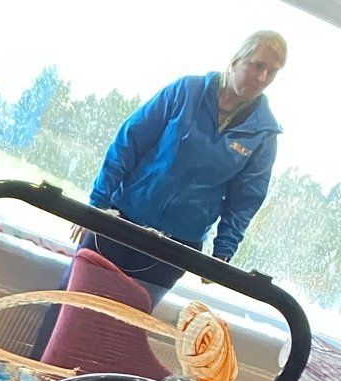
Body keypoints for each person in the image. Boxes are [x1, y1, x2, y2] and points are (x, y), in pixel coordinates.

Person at [85, 32, 287, 303]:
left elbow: (245, 201)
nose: (262, 78)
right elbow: (128, 143)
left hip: (176, 246)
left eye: (272, 72)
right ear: (236, 59)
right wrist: (96, 206)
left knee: (127, 322)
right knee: (71, 307)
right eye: (257, 65)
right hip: (122, 219)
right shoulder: (187, 91)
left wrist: (223, 252)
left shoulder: (263, 134)